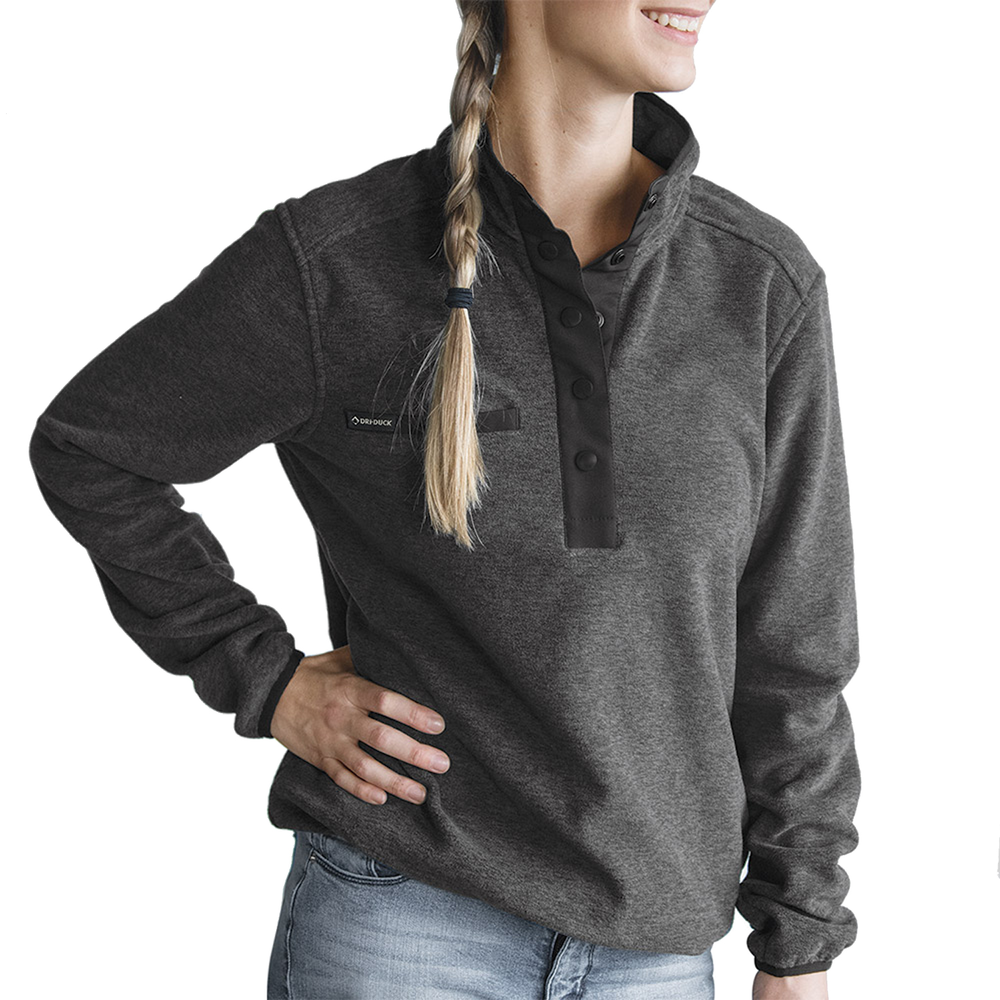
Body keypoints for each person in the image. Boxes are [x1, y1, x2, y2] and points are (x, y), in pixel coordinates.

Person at [28, 1, 862, 998]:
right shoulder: (338, 265)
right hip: (402, 926)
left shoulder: (758, 287)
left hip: (657, 952)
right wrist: (270, 681)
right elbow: (92, 448)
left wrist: (799, 944)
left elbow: (793, 652)